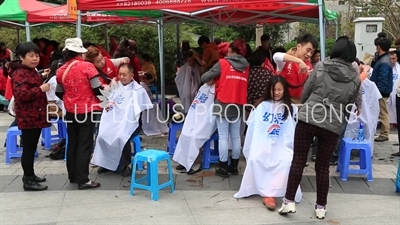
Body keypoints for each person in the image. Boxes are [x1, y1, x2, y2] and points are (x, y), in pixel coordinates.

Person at [279, 37, 361, 219]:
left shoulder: (321, 66)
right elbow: (349, 103)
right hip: (332, 124)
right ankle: (321, 207)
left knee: (298, 160)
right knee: (323, 166)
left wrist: (309, 109)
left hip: (308, 118)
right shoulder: (355, 78)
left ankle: (288, 201)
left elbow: (306, 91)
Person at [234, 75, 302, 210]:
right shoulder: (261, 106)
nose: (276, 93)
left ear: (285, 90)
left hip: (281, 145)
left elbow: (290, 131)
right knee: (257, 158)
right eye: (273, 90)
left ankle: (277, 191)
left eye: (279, 90)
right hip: (262, 144)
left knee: (285, 161)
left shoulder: (290, 108)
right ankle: (268, 194)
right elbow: (254, 129)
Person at [55, 38, 102, 190]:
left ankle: (73, 176)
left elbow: (58, 92)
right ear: (80, 53)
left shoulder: (61, 70)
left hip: (70, 112)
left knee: (73, 143)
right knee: (85, 144)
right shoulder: (87, 67)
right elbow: (97, 89)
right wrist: (106, 102)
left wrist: (71, 100)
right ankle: (84, 179)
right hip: (86, 111)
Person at [201, 39, 250, 178]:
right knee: (235, 136)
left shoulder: (223, 63)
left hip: (223, 103)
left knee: (223, 137)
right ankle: (234, 166)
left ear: (230, 50)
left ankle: (223, 167)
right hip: (239, 104)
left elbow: (205, 77)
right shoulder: (247, 66)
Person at [91, 63, 152, 176]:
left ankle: (124, 165)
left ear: (132, 75)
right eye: (120, 74)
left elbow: (141, 110)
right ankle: (105, 163)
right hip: (113, 120)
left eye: (124, 74)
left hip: (132, 123)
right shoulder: (114, 86)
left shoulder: (138, 90)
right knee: (102, 135)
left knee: (121, 136)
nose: (122, 77)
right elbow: (106, 100)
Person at [11, 42, 50, 191]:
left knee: (31, 147)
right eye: (31, 56)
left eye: (37, 55)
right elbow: (21, 94)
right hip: (28, 116)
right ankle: (28, 180)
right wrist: (40, 88)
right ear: (21, 57)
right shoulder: (19, 73)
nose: (35, 58)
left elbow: (29, 84)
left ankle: (31, 175)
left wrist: (41, 75)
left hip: (35, 115)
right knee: (28, 149)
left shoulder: (30, 70)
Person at [273, 34, 318, 104]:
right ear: (299, 46)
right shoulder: (286, 59)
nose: (309, 54)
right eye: (308, 50)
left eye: (312, 52)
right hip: (283, 102)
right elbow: (276, 56)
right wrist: (299, 61)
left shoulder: (308, 64)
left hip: (300, 102)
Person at [371, 37, 393, 142]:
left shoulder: (384, 62)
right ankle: (384, 132)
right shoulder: (383, 59)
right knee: (383, 111)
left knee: (383, 112)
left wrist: (377, 92)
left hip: (381, 92)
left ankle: (384, 133)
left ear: (379, 47)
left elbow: (383, 79)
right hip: (381, 90)